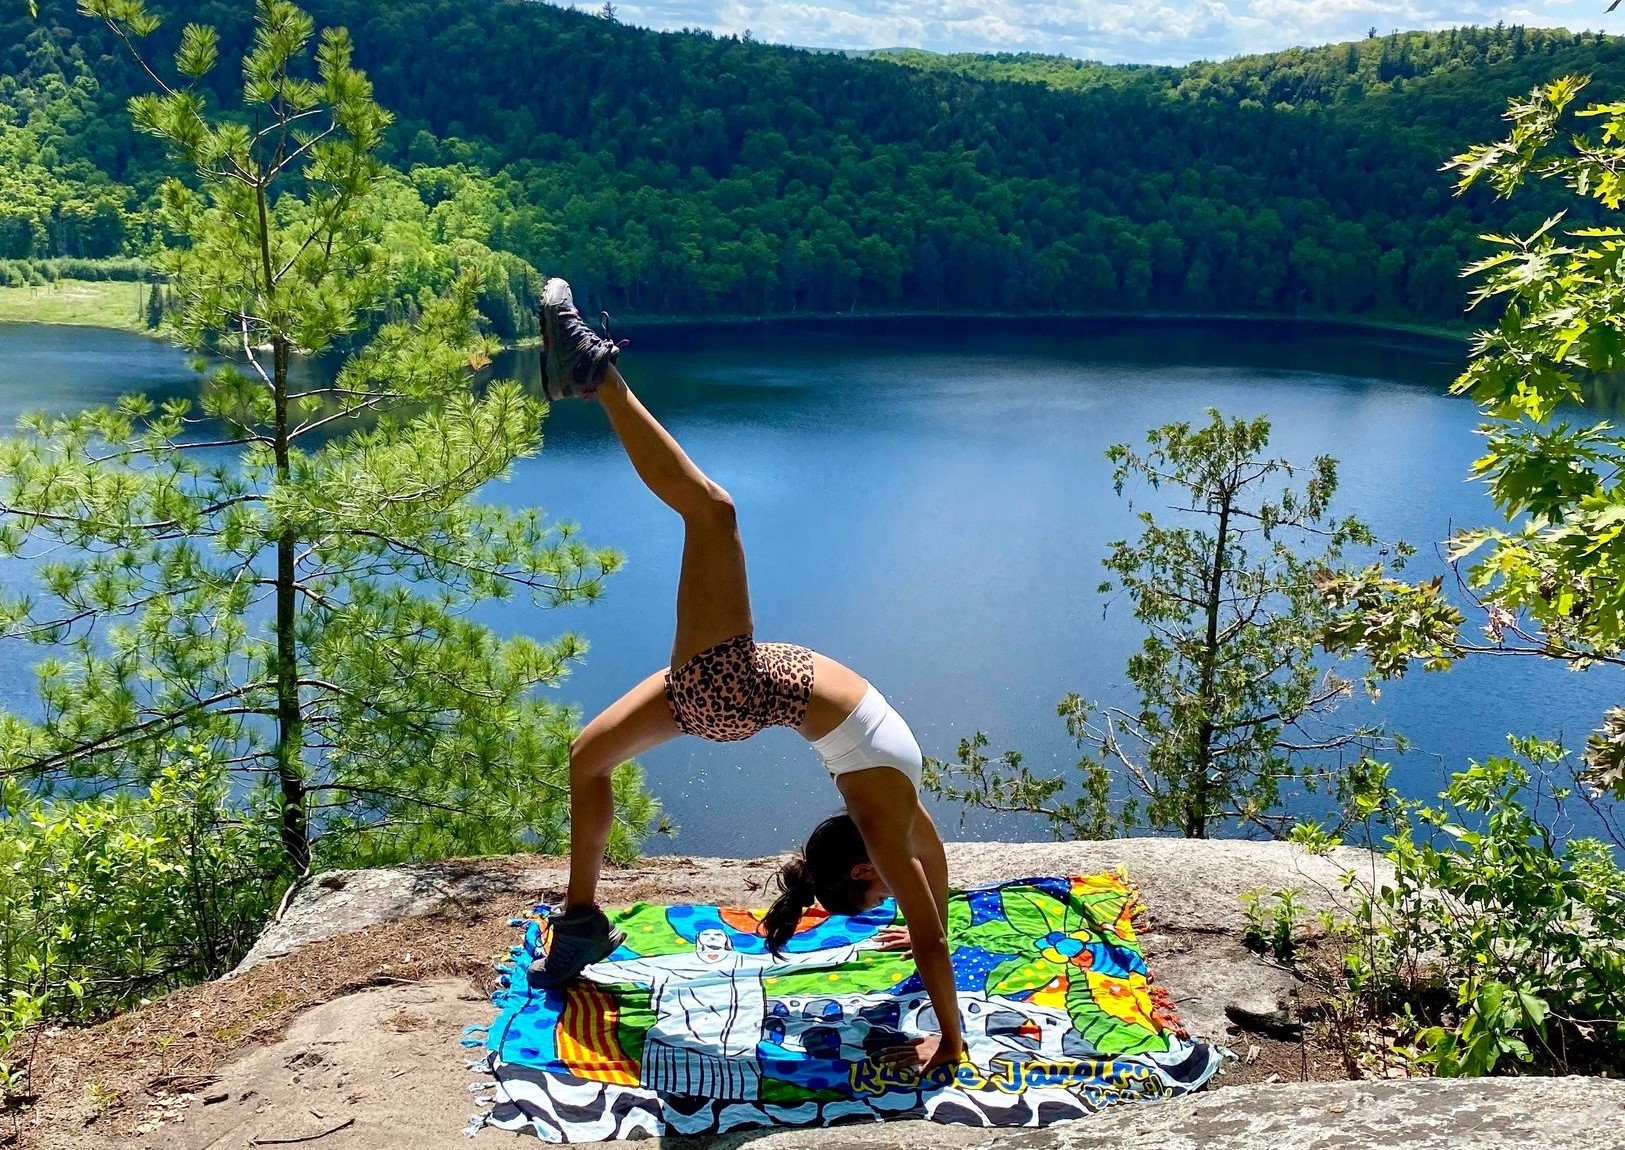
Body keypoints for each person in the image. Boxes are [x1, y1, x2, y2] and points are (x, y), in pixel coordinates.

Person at [528, 279, 962, 1073]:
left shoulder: (880, 803)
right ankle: (580, 918)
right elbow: (930, 897)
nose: (893, 897)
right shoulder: (891, 815)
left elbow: (926, 907)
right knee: (585, 759)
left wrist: (946, 1024)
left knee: (713, 512)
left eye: (879, 899)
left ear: (866, 867)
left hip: (733, 685)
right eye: (883, 901)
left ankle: (594, 373)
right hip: (734, 692)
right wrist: (936, 973)